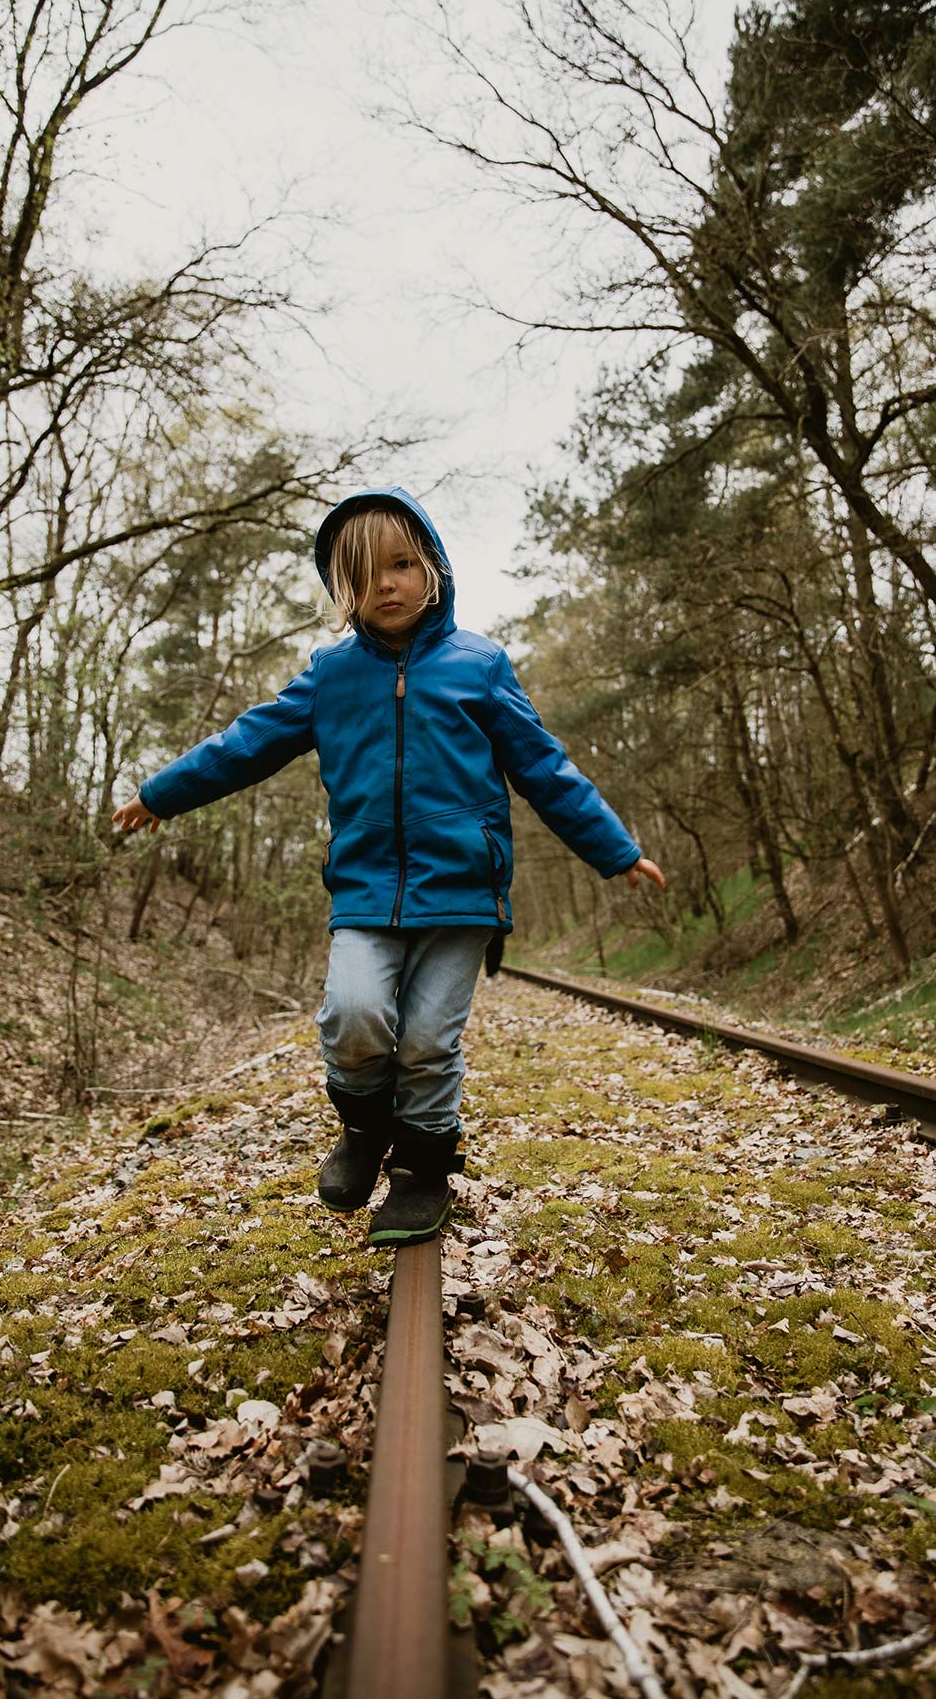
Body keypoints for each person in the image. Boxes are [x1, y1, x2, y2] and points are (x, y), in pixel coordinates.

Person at [113, 487, 664, 1246]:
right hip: (367, 888)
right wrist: (159, 794)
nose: (388, 586)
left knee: (430, 1039)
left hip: (463, 893)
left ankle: (422, 1170)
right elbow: (244, 744)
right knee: (354, 1015)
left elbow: (545, 768)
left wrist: (615, 849)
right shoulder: (331, 677)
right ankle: (366, 1129)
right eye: (365, 576)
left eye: (402, 565)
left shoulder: (480, 665)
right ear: (343, 592)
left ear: (432, 566)